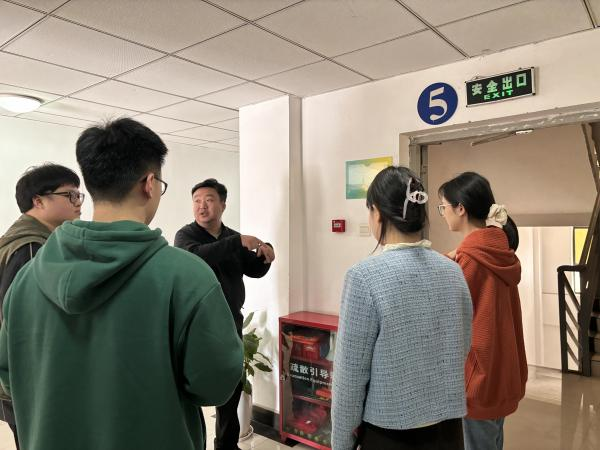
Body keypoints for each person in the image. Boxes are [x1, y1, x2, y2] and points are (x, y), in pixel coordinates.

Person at [0, 118, 243, 450]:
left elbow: (10, 375)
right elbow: (214, 385)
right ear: (149, 184)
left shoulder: (28, 279)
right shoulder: (186, 277)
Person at [332, 166, 472, 450]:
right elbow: (462, 345)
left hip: (389, 434)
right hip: (449, 432)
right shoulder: (453, 271)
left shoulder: (363, 277)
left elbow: (350, 377)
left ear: (377, 213)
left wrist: (341, 443)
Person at [175, 178, 275, 450]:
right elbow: (197, 257)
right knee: (192, 387)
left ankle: (226, 445)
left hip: (230, 322)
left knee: (231, 386)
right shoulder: (186, 236)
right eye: (196, 201)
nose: (201, 206)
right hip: (196, 325)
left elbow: (253, 269)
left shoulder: (232, 237)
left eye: (208, 200)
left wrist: (265, 255)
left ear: (222, 205)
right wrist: (237, 242)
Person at [438, 172, 528, 450]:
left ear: (460, 208)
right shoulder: (500, 252)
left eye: (443, 207)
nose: (443, 213)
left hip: (476, 380)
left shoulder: (469, 259)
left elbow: (445, 320)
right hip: (501, 375)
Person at [0, 163, 83, 449]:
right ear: (38, 201)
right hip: (32, 384)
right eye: (70, 195)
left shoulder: (18, 241)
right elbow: (25, 325)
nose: (78, 202)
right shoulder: (32, 248)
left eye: (79, 195)